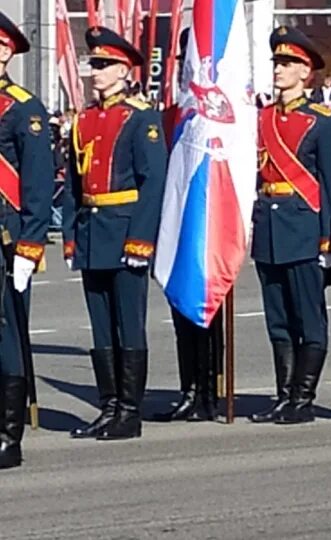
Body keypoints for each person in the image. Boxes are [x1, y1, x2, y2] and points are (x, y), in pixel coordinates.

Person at [63, 26, 167, 440]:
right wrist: (71, 235)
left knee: (129, 323)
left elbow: (152, 182)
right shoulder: (84, 119)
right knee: (101, 326)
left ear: (125, 70)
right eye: (95, 63)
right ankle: (108, 405)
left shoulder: (141, 118)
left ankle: (129, 410)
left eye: (104, 65)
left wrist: (141, 239)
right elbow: (74, 182)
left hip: (125, 232)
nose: (96, 71)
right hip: (92, 231)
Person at [248, 26, 331, 425]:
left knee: (308, 316)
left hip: (304, 229)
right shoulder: (263, 117)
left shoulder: (321, 122)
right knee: (278, 318)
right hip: (269, 227)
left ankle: (304, 398)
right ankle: (284, 394)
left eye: (287, 63)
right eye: (277, 62)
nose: (279, 69)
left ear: (306, 72)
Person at [152, 27, 224, 423]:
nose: (186, 69)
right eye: (183, 62)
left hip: (210, 225)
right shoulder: (171, 116)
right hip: (176, 224)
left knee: (207, 314)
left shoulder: (220, 116)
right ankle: (189, 389)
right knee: (181, 311)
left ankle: (210, 392)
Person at [0, 12, 54, 469]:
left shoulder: (24, 109)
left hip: (7, 236)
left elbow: (36, 184)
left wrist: (30, 244)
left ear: (3, 52)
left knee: (7, 332)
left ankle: (7, 434)